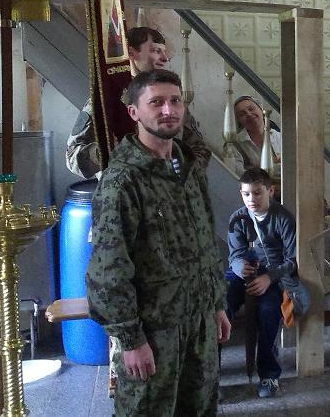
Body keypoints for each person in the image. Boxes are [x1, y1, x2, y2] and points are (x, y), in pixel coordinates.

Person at [85, 69, 230, 416]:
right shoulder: (123, 182)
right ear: (134, 112)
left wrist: (216, 304)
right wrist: (131, 340)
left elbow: (207, 241)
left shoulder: (190, 168)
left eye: (175, 101)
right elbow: (108, 271)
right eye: (157, 102)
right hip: (154, 332)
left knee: (200, 409)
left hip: (199, 325)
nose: (168, 110)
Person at [66, 26, 210, 178]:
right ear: (131, 53)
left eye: (164, 51)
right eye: (156, 51)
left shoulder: (171, 98)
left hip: (168, 187)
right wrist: (103, 151)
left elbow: (199, 148)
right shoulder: (106, 99)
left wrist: (182, 173)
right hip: (123, 186)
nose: (165, 58)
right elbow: (71, 157)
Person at [225, 167, 296, 398]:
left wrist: (269, 278)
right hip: (244, 272)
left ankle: (269, 375)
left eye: (257, 193)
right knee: (220, 305)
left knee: (268, 311)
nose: (251, 199)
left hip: (273, 274)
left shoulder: (283, 218)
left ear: (270, 191)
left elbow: (292, 260)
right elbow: (235, 254)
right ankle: (210, 374)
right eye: (246, 194)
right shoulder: (237, 218)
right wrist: (239, 266)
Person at [231, 95, 282, 175]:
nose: (248, 114)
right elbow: (239, 175)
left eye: (251, 109)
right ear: (239, 121)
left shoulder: (280, 136)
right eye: (242, 114)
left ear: (261, 110)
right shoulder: (235, 146)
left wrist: (255, 169)